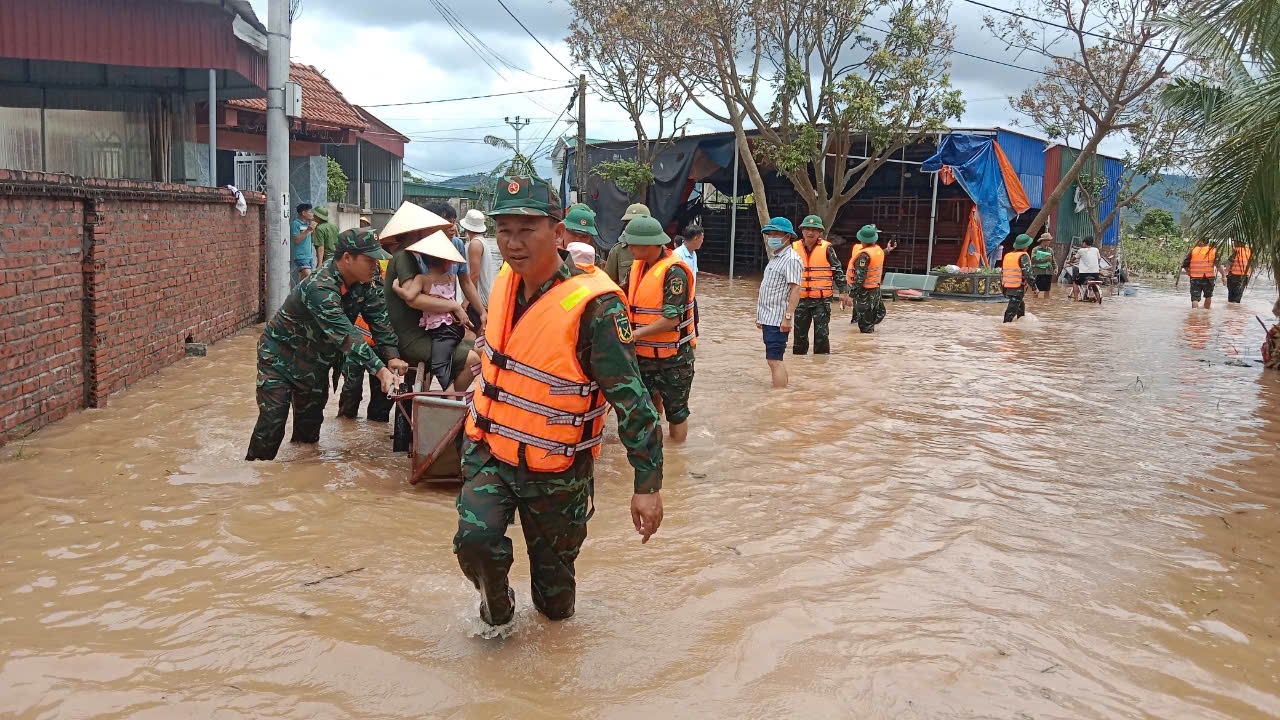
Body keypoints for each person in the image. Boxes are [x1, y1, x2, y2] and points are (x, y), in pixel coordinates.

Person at [455, 176, 664, 627]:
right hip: (491, 452)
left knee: (554, 606)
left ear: (558, 232)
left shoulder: (597, 308)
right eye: (504, 230)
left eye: (527, 229)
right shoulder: (506, 284)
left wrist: (646, 485)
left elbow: (632, 401)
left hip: (558, 472)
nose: (513, 243)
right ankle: (498, 613)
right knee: (475, 540)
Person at [246, 228, 408, 461]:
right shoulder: (319, 287)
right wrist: (379, 370)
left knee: (308, 435)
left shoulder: (366, 282)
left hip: (316, 363)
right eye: (369, 259)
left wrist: (391, 356)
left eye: (376, 259)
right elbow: (345, 334)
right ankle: (256, 480)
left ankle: (297, 486)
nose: (375, 265)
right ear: (347, 258)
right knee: (272, 424)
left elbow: (379, 319)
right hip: (280, 360)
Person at [380, 204, 481, 450]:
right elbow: (413, 298)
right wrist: (454, 308)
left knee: (479, 349)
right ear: (417, 232)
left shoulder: (411, 257)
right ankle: (446, 410)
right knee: (474, 360)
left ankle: (444, 405)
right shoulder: (404, 257)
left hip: (425, 332)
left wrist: (477, 312)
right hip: (411, 339)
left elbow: (464, 282)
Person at [624, 216, 696, 443]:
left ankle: (677, 454)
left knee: (676, 412)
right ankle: (656, 446)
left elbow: (670, 320)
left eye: (634, 243)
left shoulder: (675, 273)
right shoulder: (638, 266)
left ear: (651, 244)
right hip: (643, 356)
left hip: (674, 358)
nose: (629, 247)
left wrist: (634, 335)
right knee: (648, 406)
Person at [395, 234, 473, 391]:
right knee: (449, 359)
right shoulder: (451, 277)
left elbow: (410, 296)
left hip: (441, 331)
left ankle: (451, 400)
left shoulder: (422, 279)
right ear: (448, 263)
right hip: (454, 327)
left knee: (439, 365)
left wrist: (397, 287)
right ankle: (453, 398)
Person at [790, 215, 850, 354]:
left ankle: (821, 364)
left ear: (820, 232)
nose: (810, 233)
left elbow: (837, 270)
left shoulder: (827, 248)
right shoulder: (793, 248)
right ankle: (799, 364)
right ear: (802, 231)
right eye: (807, 229)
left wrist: (843, 291)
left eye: (814, 230)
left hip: (821, 301)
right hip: (800, 299)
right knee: (799, 335)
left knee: (822, 335)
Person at [424, 202, 488, 331]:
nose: (453, 228)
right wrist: (456, 307)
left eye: (453, 222)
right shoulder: (420, 249)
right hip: (427, 316)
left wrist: (482, 311)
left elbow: (466, 281)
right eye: (447, 223)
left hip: (449, 315)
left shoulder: (458, 245)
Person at [756, 218, 803, 388]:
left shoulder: (791, 259)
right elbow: (770, 289)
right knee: (772, 360)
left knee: (775, 360)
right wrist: (761, 317)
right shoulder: (776, 257)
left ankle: (780, 397)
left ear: (788, 236)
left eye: (776, 234)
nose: (771, 237)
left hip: (778, 318)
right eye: (769, 234)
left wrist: (788, 316)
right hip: (769, 317)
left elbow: (796, 289)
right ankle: (780, 397)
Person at [847, 225, 887, 333]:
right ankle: (864, 337)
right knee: (869, 321)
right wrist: (853, 294)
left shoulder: (866, 254)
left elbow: (860, 277)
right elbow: (861, 277)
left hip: (869, 291)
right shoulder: (874, 251)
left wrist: (852, 294)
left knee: (877, 315)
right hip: (868, 291)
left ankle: (863, 331)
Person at [460, 208, 502, 309]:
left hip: (476, 300)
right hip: (482, 299)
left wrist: (467, 300)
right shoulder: (483, 242)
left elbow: (474, 274)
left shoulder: (474, 244)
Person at [604, 203, 649, 288]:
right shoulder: (618, 250)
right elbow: (609, 283)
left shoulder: (657, 250)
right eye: (629, 223)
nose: (632, 227)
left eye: (637, 223)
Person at [674, 225, 705, 335]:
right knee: (681, 328)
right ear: (696, 238)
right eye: (702, 238)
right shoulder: (677, 255)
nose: (702, 241)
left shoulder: (693, 253)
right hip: (680, 298)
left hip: (691, 296)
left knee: (694, 325)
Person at [1001, 234, 1037, 323]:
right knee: (1010, 312)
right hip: (1016, 287)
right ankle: (1006, 329)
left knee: (1020, 305)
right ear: (1026, 246)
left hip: (1006, 287)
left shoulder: (1008, 255)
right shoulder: (1023, 256)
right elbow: (1028, 274)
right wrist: (1034, 287)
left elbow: (1002, 272)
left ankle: (1019, 324)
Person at [1182, 237, 1218, 309]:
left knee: (1195, 298)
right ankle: (1206, 314)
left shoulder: (1193, 250)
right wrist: (1223, 275)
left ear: (1201, 241)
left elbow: (1185, 264)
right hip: (1208, 277)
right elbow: (1218, 265)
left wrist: (1188, 272)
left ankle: (1194, 315)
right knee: (1208, 296)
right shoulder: (1213, 250)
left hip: (1195, 277)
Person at [290, 203, 318, 285]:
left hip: (309, 255)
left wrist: (313, 230)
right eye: (309, 212)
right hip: (301, 256)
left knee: (303, 280)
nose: (311, 214)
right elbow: (296, 240)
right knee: (309, 275)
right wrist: (307, 231)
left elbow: (312, 240)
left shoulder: (307, 224)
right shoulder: (296, 224)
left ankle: (297, 295)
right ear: (303, 213)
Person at [1070, 237, 1101, 301]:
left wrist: (1069, 261)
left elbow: (1074, 258)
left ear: (1084, 243)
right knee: (1094, 285)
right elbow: (1099, 259)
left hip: (1084, 274)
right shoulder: (1096, 250)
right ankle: (1098, 300)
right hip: (1095, 273)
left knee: (1075, 282)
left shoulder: (1081, 250)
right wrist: (1096, 265)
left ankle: (1076, 299)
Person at [1222, 239, 1253, 304]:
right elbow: (1251, 264)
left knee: (1231, 298)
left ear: (1240, 242)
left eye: (1235, 241)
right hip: (1244, 277)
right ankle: (1235, 312)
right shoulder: (1249, 251)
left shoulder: (1236, 250)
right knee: (1237, 298)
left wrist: (1224, 275)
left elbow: (1229, 263)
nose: (1234, 243)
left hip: (1234, 276)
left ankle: (1232, 312)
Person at [1031, 232, 1057, 299]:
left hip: (1048, 272)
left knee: (1047, 290)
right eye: (1048, 240)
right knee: (1036, 290)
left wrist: (1056, 268)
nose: (1049, 242)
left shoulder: (1050, 250)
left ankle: (1045, 304)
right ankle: (1035, 304)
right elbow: (1033, 259)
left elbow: (1053, 261)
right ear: (1043, 241)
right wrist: (1045, 259)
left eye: (1049, 240)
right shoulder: (1035, 250)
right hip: (1038, 272)